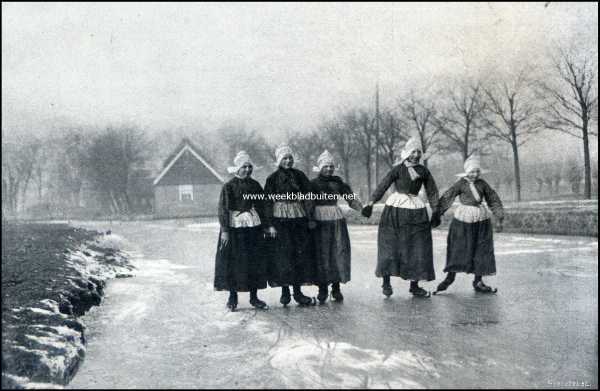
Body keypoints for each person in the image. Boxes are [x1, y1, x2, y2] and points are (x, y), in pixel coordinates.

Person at [361, 137, 440, 298]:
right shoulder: (397, 169)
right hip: (395, 210)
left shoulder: (424, 171)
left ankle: (415, 285)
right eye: (413, 152)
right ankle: (386, 282)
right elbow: (383, 185)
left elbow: (432, 191)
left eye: (419, 152)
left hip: (416, 211)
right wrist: (370, 203)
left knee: (418, 247)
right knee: (391, 246)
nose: (416, 155)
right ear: (407, 153)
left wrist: (436, 211)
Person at [432, 154, 504, 294]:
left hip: (481, 220)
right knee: (458, 248)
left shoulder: (482, 184)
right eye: (471, 171)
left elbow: (493, 199)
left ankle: (478, 281)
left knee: (482, 250)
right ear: (466, 172)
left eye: (477, 171)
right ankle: (450, 277)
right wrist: (437, 214)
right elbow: (448, 197)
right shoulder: (460, 183)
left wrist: (499, 216)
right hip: (463, 220)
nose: (474, 174)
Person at [214, 151, 269, 311]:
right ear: (237, 169)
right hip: (235, 228)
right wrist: (225, 230)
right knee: (234, 261)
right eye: (244, 167)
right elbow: (223, 209)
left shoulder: (255, 185)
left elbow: (263, 206)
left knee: (254, 260)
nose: (247, 170)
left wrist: (266, 225)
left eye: (249, 167)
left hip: (253, 227)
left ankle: (254, 297)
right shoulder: (229, 186)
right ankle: (233, 297)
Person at [264, 144, 316, 306]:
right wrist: (270, 224)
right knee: (283, 255)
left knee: (299, 255)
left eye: (290, 158)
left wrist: (310, 216)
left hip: (298, 217)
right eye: (284, 158)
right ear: (279, 161)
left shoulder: (299, 175)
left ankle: (298, 293)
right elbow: (266, 202)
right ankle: (285, 292)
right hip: (280, 219)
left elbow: (309, 196)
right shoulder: (272, 179)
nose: (288, 161)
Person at [310, 150, 363, 304]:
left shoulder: (337, 182)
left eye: (331, 167)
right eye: (326, 166)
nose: (329, 169)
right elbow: (308, 202)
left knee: (338, 251)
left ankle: (336, 286)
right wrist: (310, 218)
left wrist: (361, 208)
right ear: (320, 167)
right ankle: (322, 288)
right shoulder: (313, 184)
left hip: (336, 219)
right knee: (322, 253)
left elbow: (349, 196)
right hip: (320, 221)